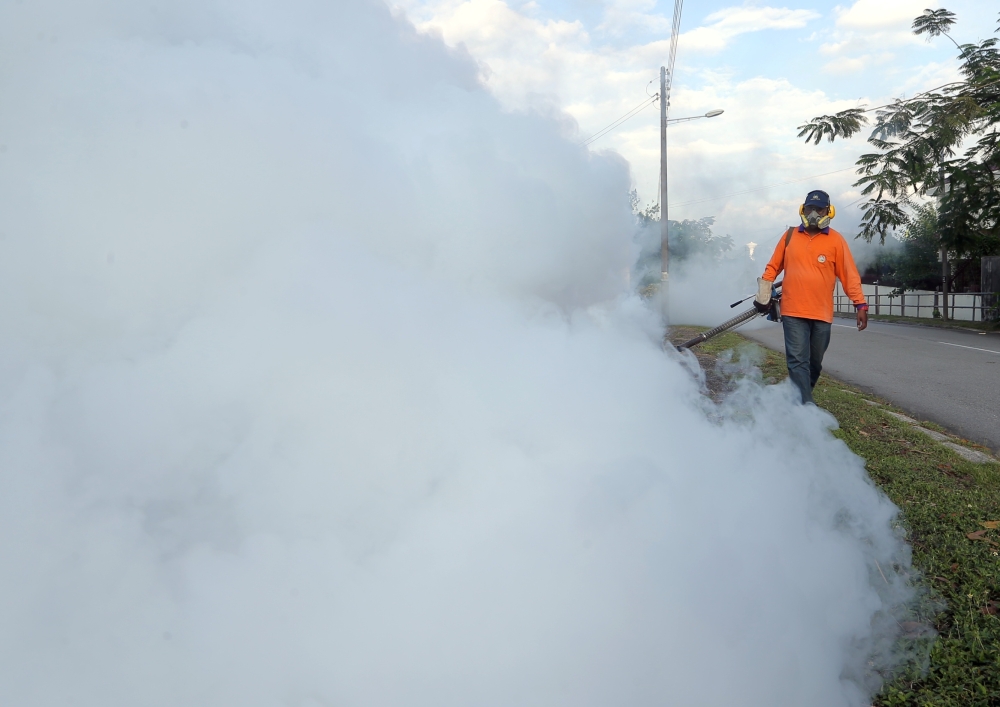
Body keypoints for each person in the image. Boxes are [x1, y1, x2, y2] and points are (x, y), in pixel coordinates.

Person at [753, 190, 868, 404]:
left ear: (829, 211)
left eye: (819, 209)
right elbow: (773, 267)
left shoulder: (836, 241)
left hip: (822, 313)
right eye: (809, 209)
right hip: (792, 310)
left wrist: (860, 303)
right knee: (797, 361)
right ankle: (805, 409)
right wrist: (764, 293)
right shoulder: (789, 236)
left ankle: (798, 398)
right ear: (802, 210)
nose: (814, 213)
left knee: (814, 363)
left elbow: (849, 275)